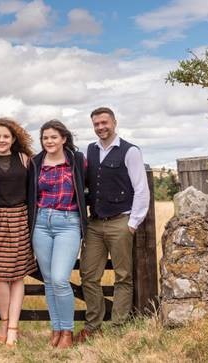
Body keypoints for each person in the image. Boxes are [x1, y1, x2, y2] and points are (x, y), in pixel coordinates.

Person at [76, 107, 149, 343]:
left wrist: (132, 223)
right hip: (95, 223)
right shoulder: (91, 149)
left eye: (104, 122)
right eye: (96, 124)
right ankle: (93, 325)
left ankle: (118, 327)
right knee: (88, 275)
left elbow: (141, 189)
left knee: (123, 276)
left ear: (114, 122)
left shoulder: (130, 151)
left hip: (120, 222)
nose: (100, 127)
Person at [27, 120, 87, 349]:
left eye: (53, 137)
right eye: (45, 138)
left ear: (63, 138)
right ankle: (56, 328)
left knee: (61, 279)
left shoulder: (77, 160)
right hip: (41, 223)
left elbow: (86, 190)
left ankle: (68, 332)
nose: (49, 141)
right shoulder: (35, 162)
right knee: (50, 281)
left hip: (68, 223)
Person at [0, 118, 37, 348]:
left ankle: (13, 328)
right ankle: (4, 321)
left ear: (13, 139)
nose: (1, 140)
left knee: (17, 276)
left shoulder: (24, 159)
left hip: (20, 219)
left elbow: (33, 192)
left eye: (5, 136)